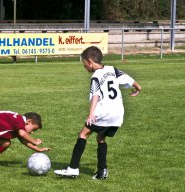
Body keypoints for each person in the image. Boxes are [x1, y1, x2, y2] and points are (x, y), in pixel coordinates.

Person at [54, 46, 142, 180]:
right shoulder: (112, 69)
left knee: (83, 134)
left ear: (89, 61)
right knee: (101, 137)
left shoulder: (95, 76)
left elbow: (95, 95)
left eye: (84, 63)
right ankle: (102, 171)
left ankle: (72, 168)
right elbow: (128, 79)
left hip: (104, 112)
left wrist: (91, 113)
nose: (84, 67)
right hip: (118, 114)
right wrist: (137, 87)